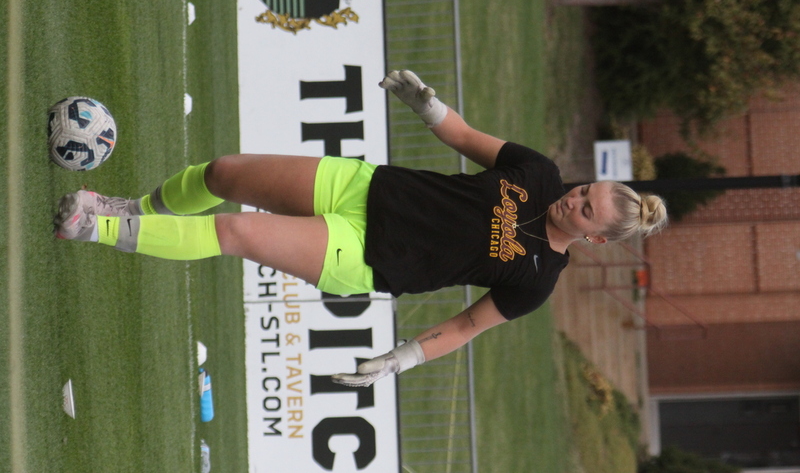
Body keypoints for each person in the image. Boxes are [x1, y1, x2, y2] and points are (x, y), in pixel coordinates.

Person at [53, 70, 668, 387]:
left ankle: (93, 228)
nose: (573, 200)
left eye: (586, 210)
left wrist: (401, 359)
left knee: (237, 233)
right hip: (365, 186)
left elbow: (465, 326)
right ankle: (127, 209)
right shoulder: (537, 172)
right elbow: (461, 136)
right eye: (585, 190)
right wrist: (426, 102)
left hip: (367, 254)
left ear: (595, 239)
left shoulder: (536, 281)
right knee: (225, 172)